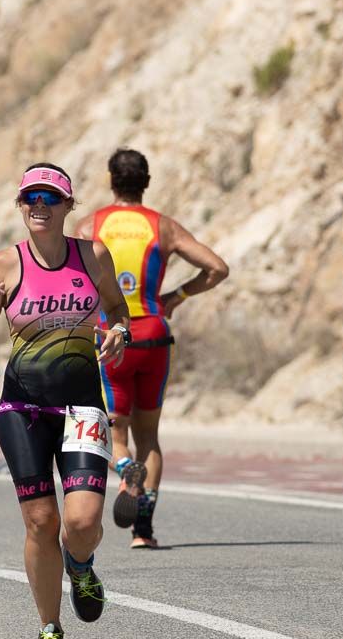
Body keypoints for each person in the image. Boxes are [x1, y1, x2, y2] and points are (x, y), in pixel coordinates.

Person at [0, 163, 130, 639]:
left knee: (81, 521)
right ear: (20, 206)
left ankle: (80, 563)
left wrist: (119, 331)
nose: (38, 205)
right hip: (23, 408)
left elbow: (118, 311)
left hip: (82, 405)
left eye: (49, 198)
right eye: (29, 197)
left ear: (67, 207)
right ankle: (49, 627)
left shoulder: (92, 254)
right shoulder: (5, 263)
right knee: (40, 520)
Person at [74, 148, 229, 549]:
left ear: (111, 181)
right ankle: (143, 530)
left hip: (112, 336)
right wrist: (176, 295)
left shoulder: (90, 225)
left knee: (113, 429)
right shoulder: (163, 227)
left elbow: (73, 279)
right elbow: (217, 268)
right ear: (146, 182)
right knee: (151, 435)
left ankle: (125, 470)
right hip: (154, 334)